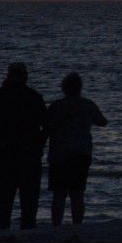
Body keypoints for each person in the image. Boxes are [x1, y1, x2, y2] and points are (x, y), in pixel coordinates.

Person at [0, 62, 47, 231]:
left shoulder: (1, 95)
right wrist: (40, 143)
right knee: (29, 201)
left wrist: (4, 88)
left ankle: (2, 232)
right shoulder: (33, 96)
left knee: (2, 200)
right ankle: (27, 232)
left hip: (4, 155)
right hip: (28, 154)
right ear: (25, 76)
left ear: (9, 76)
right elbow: (47, 123)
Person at [45, 72, 108, 226]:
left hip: (59, 154)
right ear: (80, 88)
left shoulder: (56, 106)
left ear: (64, 89)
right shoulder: (88, 105)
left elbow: (46, 126)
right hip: (81, 154)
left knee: (59, 194)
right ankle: (77, 226)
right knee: (77, 194)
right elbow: (103, 122)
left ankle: (56, 226)